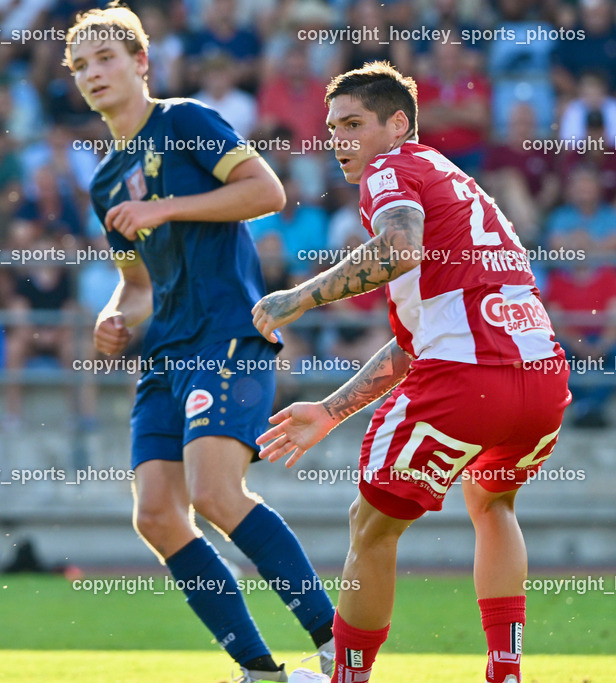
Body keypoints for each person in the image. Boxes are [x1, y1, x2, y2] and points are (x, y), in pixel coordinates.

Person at [252, 61, 571, 683]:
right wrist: (331, 410)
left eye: (352, 124)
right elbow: (417, 340)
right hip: (541, 380)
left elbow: (400, 250)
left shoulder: (390, 168)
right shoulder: (458, 184)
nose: (338, 139)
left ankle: (346, 678)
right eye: (331, 127)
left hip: (468, 380)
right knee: (492, 501)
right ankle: (505, 673)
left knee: (369, 527)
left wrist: (296, 297)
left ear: (398, 124)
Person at [65, 5, 335, 682]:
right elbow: (136, 284)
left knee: (216, 492)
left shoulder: (183, 119)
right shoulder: (105, 181)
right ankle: (260, 670)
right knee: (157, 515)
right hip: (165, 353)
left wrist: (165, 207)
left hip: (226, 331)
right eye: (80, 67)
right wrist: (113, 314)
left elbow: (267, 191)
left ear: (140, 63)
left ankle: (338, 644)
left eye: (105, 59)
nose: (93, 74)